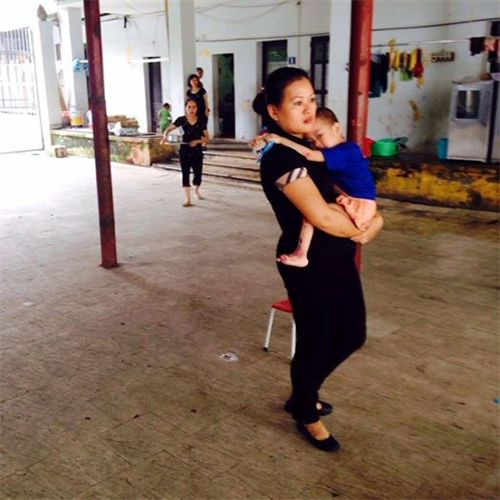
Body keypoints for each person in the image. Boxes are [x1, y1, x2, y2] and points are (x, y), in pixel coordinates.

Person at [256, 67, 383, 452]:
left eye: (312, 99)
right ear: (275, 111)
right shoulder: (279, 158)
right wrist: (365, 227)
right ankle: (305, 411)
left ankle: (302, 395)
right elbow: (322, 217)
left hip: (338, 256)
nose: (309, 108)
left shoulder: (313, 148)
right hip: (308, 263)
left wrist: (373, 222)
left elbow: (354, 194)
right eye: (297, 102)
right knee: (316, 339)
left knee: (352, 334)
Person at [261, 107, 377, 267]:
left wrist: (280, 139)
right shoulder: (336, 153)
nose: (317, 143)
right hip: (357, 202)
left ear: (336, 128)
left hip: (360, 205)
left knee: (313, 216)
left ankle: (302, 254)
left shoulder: (346, 150)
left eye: (320, 135)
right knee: (312, 215)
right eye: (312, 141)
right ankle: (301, 254)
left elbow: (309, 154)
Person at [162, 98, 209, 207]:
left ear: (197, 108)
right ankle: (188, 199)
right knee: (185, 173)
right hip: (184, 151)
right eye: (189, 107)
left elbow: (207, 138)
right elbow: (168, 129)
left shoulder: (201, 121)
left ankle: (196, 191)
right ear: (186, 108)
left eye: (194, 107)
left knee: (198, 173)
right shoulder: (181, 120)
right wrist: (165, 136)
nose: (191, 110)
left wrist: (197, 141)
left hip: (197, 151)